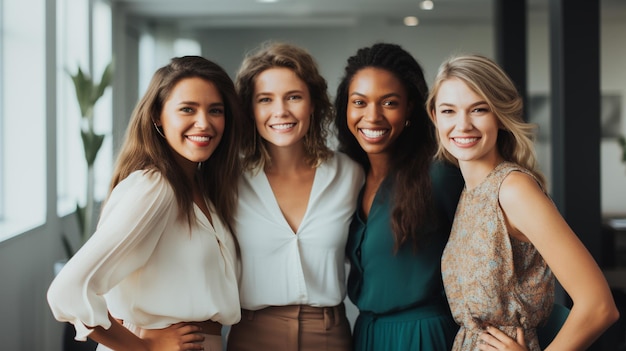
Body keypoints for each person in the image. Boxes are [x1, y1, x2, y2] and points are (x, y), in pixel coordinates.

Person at [47, 56, 244, 351]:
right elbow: (67, 291)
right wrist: (146, 348)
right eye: (187, 109)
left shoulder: (202, 187)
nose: (204, 122)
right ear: (157, 116)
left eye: (215, 110)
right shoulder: (155, 187)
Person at [426, 53, 619, 351]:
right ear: (435, 117)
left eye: (479, 109)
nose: (462, 125)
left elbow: (599, 306)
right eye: (449, 111)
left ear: (500, 116)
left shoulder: (513, 189)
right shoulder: (470, 192)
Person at [224, 41, 365, 351]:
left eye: (293, 97)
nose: (280, 111)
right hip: (253, 335)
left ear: (312, 104)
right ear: (250, 109)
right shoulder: (227, 180)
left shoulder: (349, 174)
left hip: (330, 335)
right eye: (265, 99)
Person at [333, 42, 464, 350]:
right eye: (359, 102)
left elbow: (494, 252)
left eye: (389, 103)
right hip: (365, 333)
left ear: (410, 109)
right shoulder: (349, 177)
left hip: (423, 335)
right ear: (346, 109)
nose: (372, 116)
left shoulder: (438, 175)